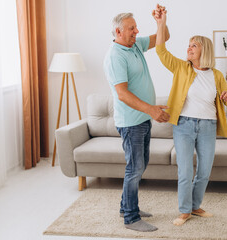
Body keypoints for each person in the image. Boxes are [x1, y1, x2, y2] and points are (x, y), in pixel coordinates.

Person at [153, 8, 227, 226]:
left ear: (204, 49)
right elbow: (161, 51)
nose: (188, 48)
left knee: (205, 171)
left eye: (193, 45)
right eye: (188, 45)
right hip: (184, 126)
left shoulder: (216, 75)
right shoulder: (181, 68)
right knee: (186, 171)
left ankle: (195, 207)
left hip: (208, 126)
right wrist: (161, 23)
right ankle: (184, 211)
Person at [103, 7, 170, 232]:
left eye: (135, 27)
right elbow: (122, 94)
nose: (136, 31)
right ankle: (131, 218)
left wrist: (161, 22)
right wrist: (151, 110)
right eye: (131, 29)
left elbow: (164, 38)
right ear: (118, 31)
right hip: (131, 122)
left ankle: (126, 206)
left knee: (140, 165)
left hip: (142, 119)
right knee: (135, 167)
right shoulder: (115, 56)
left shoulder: (135, 45)